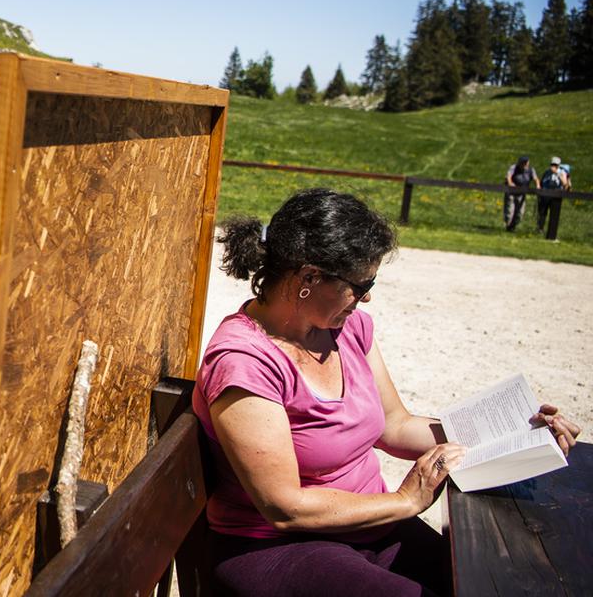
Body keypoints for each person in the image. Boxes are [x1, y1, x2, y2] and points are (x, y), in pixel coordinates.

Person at [196, 188, 580, 596]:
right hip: (279, 546)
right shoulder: (244, 361)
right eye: (361, 284)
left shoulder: (346, 328)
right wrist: (405, 500)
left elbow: (395, 426)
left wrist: (515, 434)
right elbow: (284, 508)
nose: (368, 296)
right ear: (308, 277)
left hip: (368, 525)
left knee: (498, 583)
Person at [503, 155, 536, 231]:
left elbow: (535, 178)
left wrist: (537, 185)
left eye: (526, 163)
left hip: (522, 194)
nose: (524, 164)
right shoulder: (514, 167)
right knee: (509, 211)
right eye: (522, 163)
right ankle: (508, 227)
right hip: (511, 192)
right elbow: (508, 176)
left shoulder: (531, 170)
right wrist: (510, 183)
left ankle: (513, 226)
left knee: (520, 213)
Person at [536, 156, 569, 233]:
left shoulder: (562, 172)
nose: (554, 166)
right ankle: (540, 228)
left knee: (554, 214)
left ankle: (552, 231)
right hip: (545, 195)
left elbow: (565, 183)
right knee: (542, 212)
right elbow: (542, 182)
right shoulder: (547, 172)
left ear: (558, 165)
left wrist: (557, 173)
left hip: (556, 195)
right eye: (552, 164)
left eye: (555, 165)